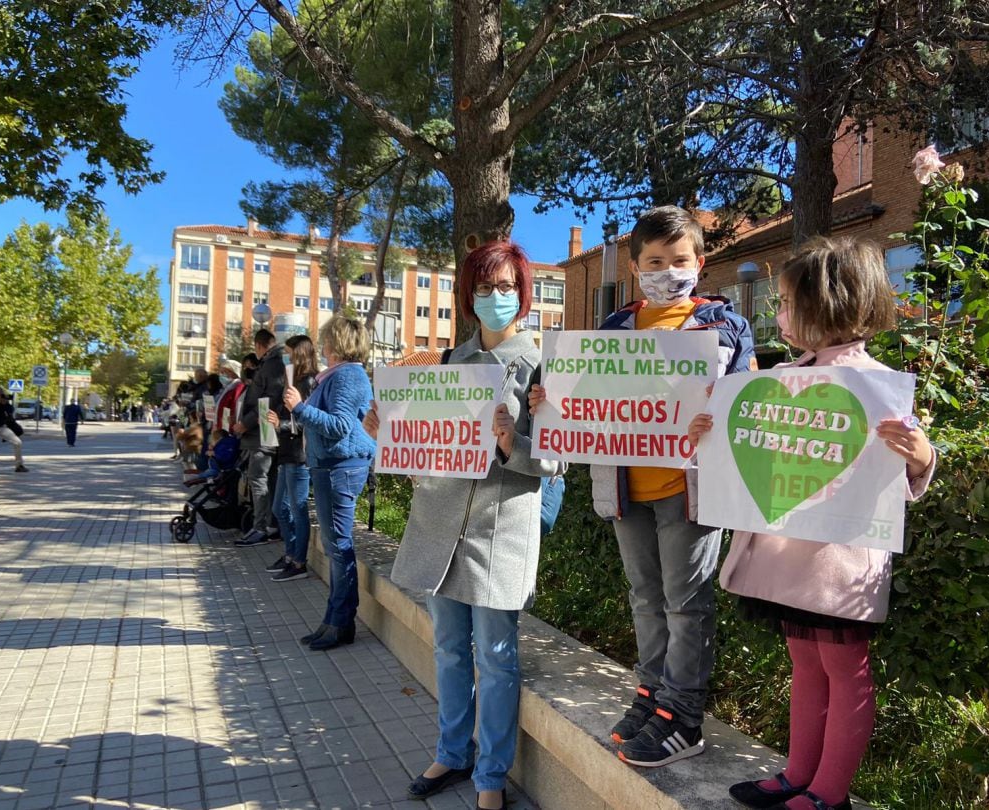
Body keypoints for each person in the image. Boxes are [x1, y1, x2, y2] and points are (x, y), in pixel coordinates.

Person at [688, 237, 935, 810]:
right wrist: (712, 432)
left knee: (844, 666)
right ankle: (799, 773)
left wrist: (920, 455)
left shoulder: (876, 386)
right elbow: (753, 460)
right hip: (788, 555)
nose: (776, 314)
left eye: (784, 301)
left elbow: (907, 471)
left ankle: (829, 793)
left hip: (840, 562)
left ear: (828, 303)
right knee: (806, 662)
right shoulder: (779, 380)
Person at [528, 205, 755, 767]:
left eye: (679, 260)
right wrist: (549, 406)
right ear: (635, 268)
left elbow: (748, 401)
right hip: (625, 488)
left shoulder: (724, 325)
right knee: (647, 600)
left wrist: (723, 411)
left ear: (700, 263)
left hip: (691, 488)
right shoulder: (614, 329)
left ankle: (684, 716)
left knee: (687, 604)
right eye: (655, 261)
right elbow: (583, 398)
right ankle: (652, 696)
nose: (668, 270)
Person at [364, 242, 566, 810]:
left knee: (497, 655)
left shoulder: (544, 365)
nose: (497, 297)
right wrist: (389, 433)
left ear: (524, 295)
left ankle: (491, 775)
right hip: (440, 523)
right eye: (486, 286)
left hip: (501, 528)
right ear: (468, 294)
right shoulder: (449, 363)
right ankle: (453, 752)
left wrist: (511, 442)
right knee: (450, 648)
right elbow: (425, 454)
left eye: (508, 287)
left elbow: (559, 458)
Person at [284, 315, 375, 650]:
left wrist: (300, 408)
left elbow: (339, 426)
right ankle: (333, 620)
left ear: (337, 344)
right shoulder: (337, 377)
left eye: (325, 340)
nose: (321, 346)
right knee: (335, 546)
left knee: (338, 546)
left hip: (340, 467)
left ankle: (340, 622)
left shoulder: (349, 376)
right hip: (330, 467)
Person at [265, 335, 318, 582]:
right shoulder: (292, 380)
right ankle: (290, 554)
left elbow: (306, 420)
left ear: (299, 354)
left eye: (288, 353)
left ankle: (299, 562)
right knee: (279, 508)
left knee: (297, 510)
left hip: (299, 456)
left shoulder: (307, 382)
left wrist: (280, 425)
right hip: (286, 452)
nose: (285, 357)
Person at [235, 332, 285, 546]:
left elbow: (267, 400)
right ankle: (271, 525)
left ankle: (261, 527)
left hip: (262, 433)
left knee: (258, 478)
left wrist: (246, 422)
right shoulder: (274, 363)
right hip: (265, 431)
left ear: (259, 345)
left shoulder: (272, 364)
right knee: (269, 479)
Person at [0, 388, 28, 472]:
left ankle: (19, 465)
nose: (0, 396)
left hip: (0, 427)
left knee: (17, 442)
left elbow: (11, 411)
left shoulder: (3, 403)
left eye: (2, 394)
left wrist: (6, 403)